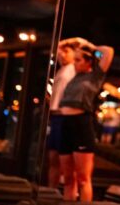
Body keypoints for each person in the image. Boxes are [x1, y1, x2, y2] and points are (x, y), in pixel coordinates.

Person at [57, 39, 114, 202]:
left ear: (89, 61)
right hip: (64, 124)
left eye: (78, 60)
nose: (74, 63)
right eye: (74, 60)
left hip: (81, 124)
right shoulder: (74, 76)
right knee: (68, 179)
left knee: (83, 179)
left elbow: (108, 50)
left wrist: (88, 46)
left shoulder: (95, 75)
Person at [46, 38, 78, 190]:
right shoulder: (61, 69)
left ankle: (67, 194)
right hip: (55, 116)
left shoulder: (75, 68)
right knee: (52, 158)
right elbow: (57, 49)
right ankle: (51, 191)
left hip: (66, 117)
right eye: (62, 52)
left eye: (67, 51)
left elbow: (93, 50)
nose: (63, 54)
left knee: (66, 160)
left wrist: (73, 41)